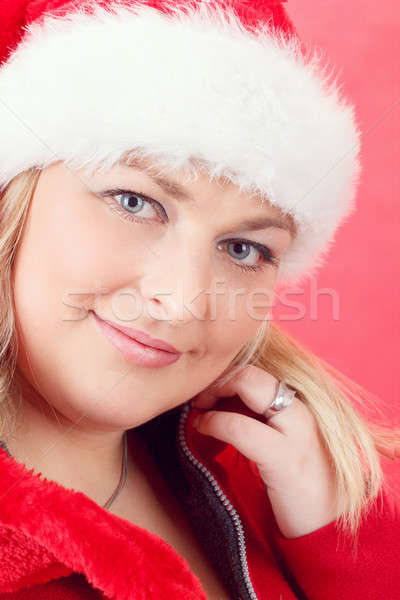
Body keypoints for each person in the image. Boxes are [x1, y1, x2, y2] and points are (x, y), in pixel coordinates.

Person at [0, 0, 398, 598]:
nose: (183, 301)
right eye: (134, 202)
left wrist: (339, 546)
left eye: (243, 248)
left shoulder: (261, 479)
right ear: (15, 196)